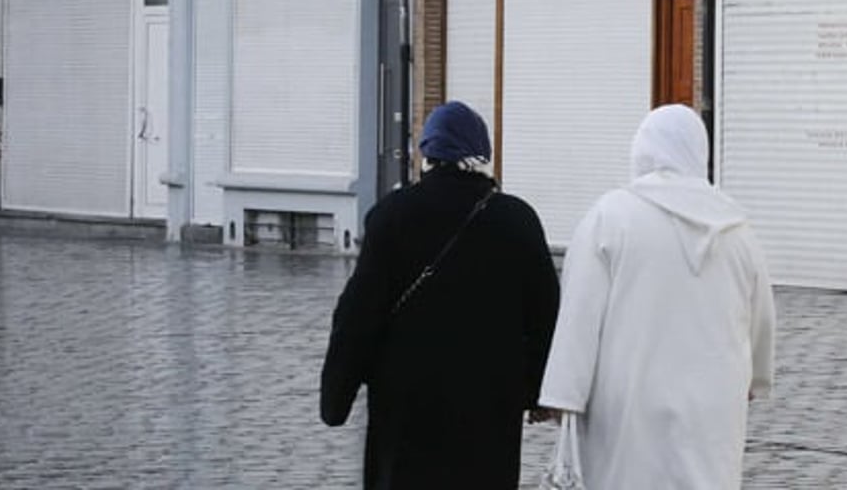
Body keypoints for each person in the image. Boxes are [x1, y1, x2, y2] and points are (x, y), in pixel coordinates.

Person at [321, 101, 560, 490]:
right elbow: (546, 313)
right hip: (489, 407)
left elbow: (356, 317)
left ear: (427, 154)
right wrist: (537, 391)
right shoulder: (517, 219)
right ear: (482, 154)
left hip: (405, 407)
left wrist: (336, 398)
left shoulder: (392, 216)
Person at [538, 104, 776, 489]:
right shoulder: (736, 229)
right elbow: (760, 315)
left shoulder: (611, 217)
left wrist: (563, 394)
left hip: (627, 400)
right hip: (711, 404)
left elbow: (579, 315)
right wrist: (756, 377)